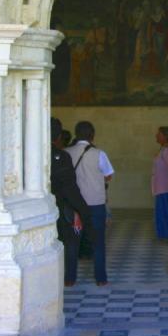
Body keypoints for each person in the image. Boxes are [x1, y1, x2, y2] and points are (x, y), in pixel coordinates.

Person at [65, 121, 114, 286]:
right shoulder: (99, 153)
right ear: (92, 135)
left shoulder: (67, 153)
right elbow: (108, 175)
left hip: (74, 204)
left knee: (73, 243)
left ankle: (70, 279)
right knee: (98, 242)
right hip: (95, 203)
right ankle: (101, 279)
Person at [50, 118, 91, 287]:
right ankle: (68, 278)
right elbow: (69, 188)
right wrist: (83, 211)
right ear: (59, 136)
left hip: (37, 208)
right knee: (70, 241)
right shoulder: (61, 156)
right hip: (60, 206)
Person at [151, 126, 168, 241]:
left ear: (165, 137)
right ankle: (164, 234)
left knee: (166, 213)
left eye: (159, 134)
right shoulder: (162, 149)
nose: (156, 136)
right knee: (161, 213)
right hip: (160, 188)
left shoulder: (167, 151)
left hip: (166, 188)